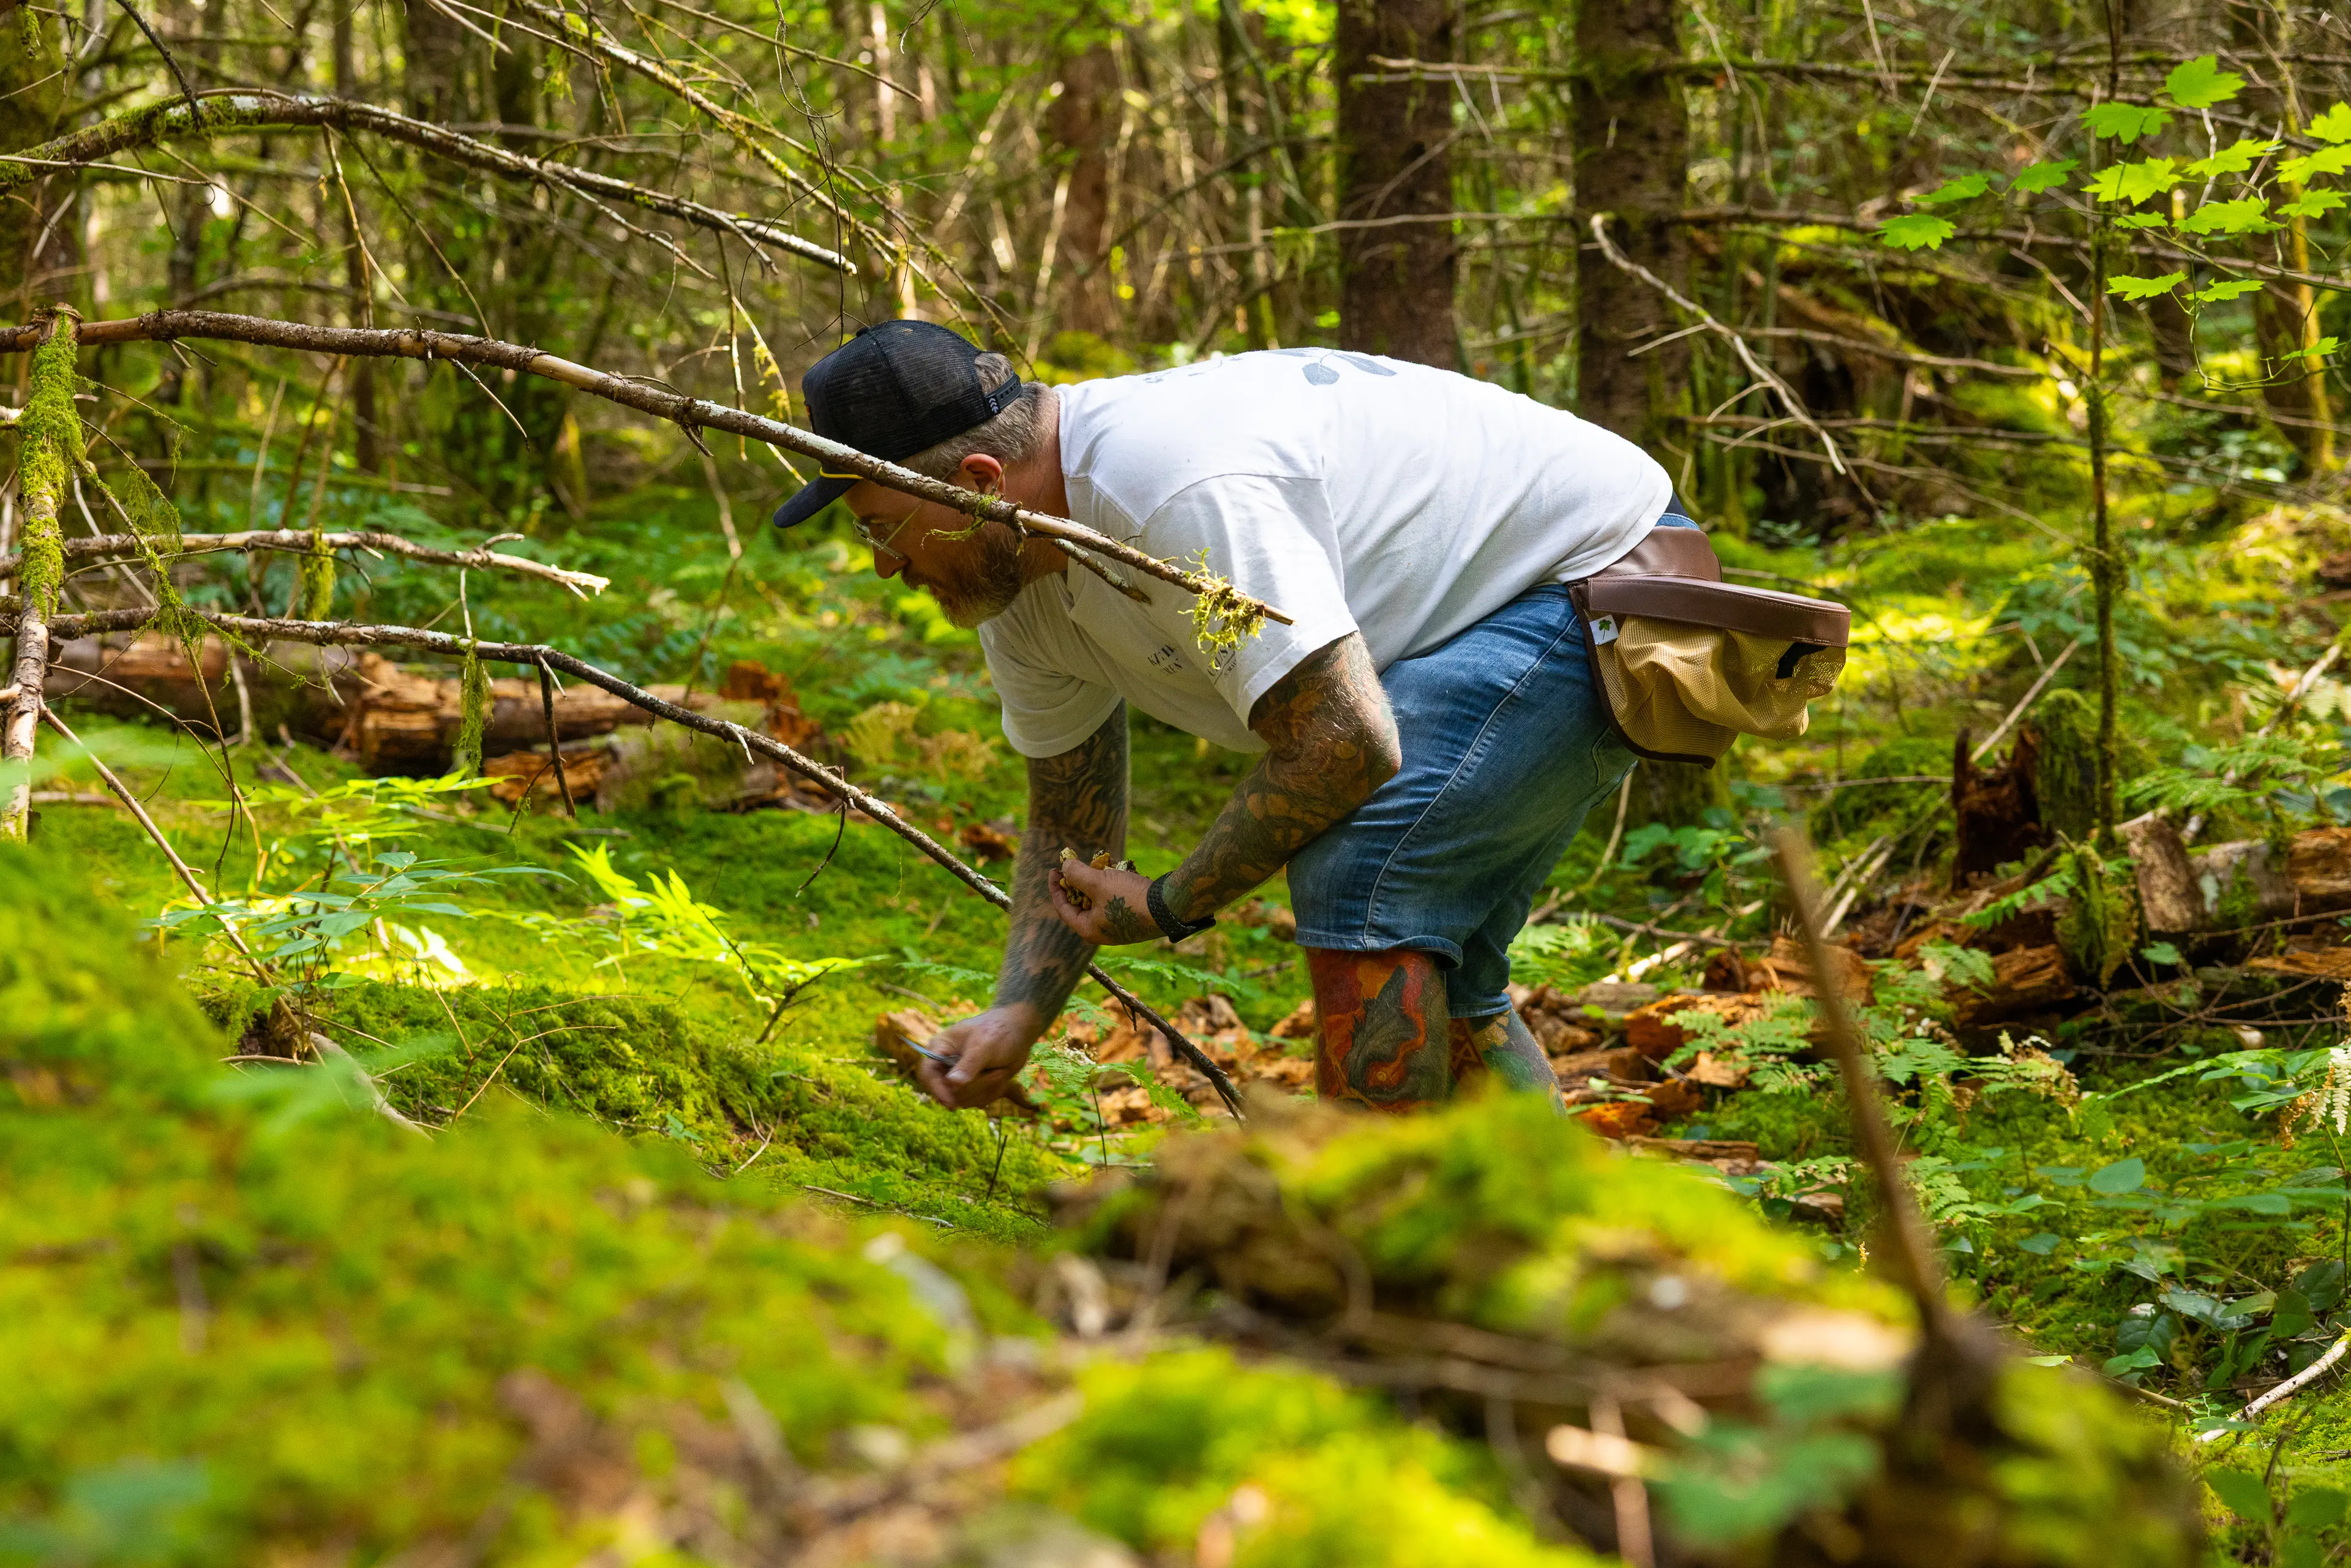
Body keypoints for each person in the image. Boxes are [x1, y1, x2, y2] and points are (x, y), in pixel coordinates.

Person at [771, 320, 1682, 1116]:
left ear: (978, 482)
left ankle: (1372, 1255)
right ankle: (1538, 1249)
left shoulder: (1165, 489)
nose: (885, 565)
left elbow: (1346, 741)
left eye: (882, 528)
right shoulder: (1021, 573)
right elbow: (1070, 813)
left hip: (1602, 575)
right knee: (1448, 964)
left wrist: (1172, 902)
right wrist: (1021, 1010)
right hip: (1506, 603)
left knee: (1363, 875)